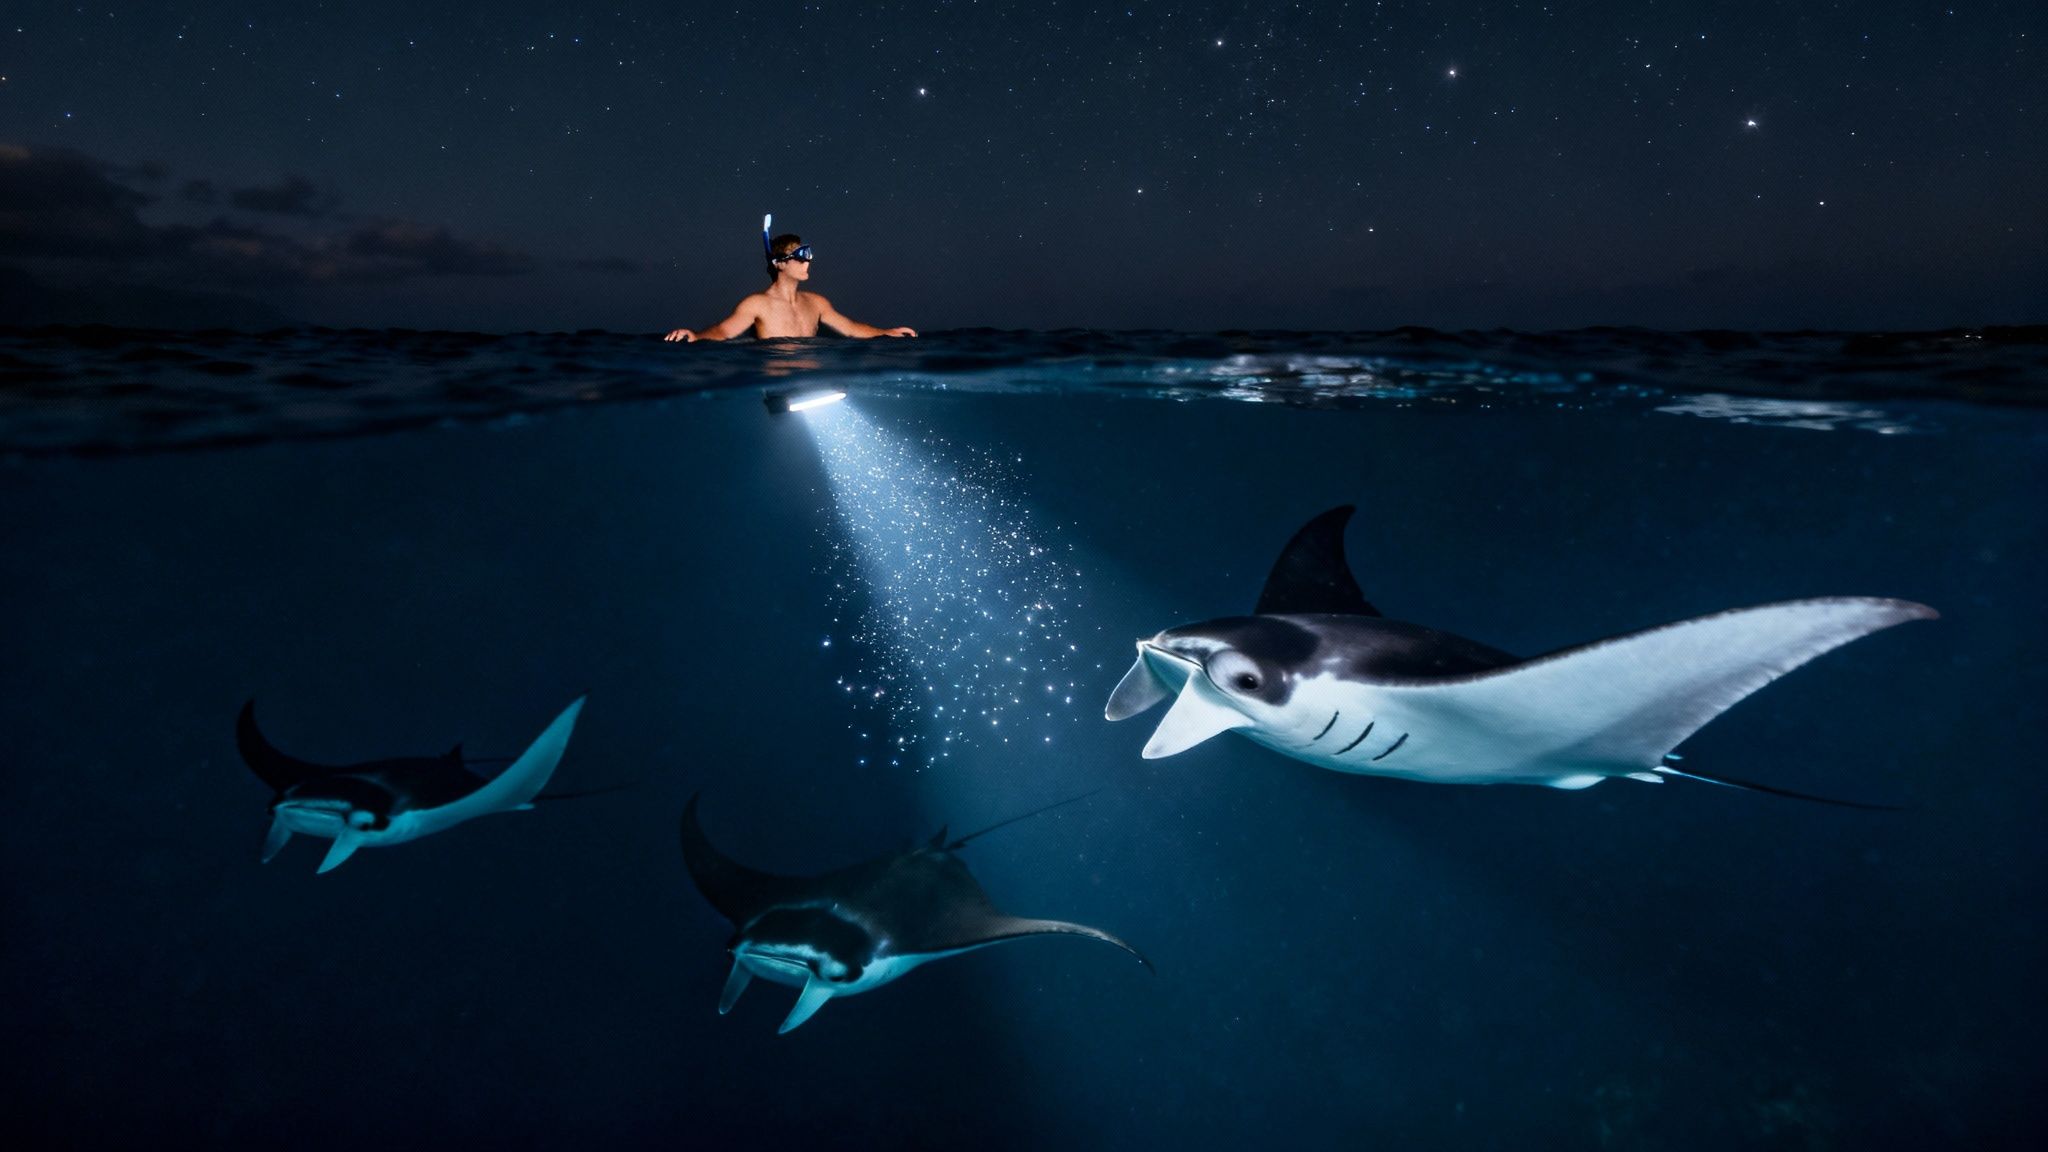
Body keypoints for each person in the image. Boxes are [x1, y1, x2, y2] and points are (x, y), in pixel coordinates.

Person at [664, 231, 917, 342]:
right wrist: (695, 336)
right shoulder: (756, 304)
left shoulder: (817, 303)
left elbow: (851, 329)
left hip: (809, 378)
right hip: (777, 382)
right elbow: (724, 332)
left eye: (809, 255)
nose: (808, 261)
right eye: (800, 256)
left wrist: (887, 332)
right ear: (780, 264)